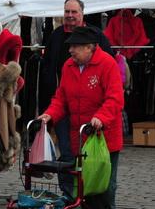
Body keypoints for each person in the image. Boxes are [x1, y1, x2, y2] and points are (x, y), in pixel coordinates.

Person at [39, 26, 124, 209]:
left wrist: (100, 117)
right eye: (70, 46)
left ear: (90, 47)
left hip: (103, 139)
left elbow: (115, 98)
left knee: (104, 187)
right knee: (84, 186)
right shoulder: (68, 66)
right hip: (79, 138)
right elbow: (61, 98)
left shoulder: (107, 64)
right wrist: (50, 114)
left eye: (75, 46)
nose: (70, 50)